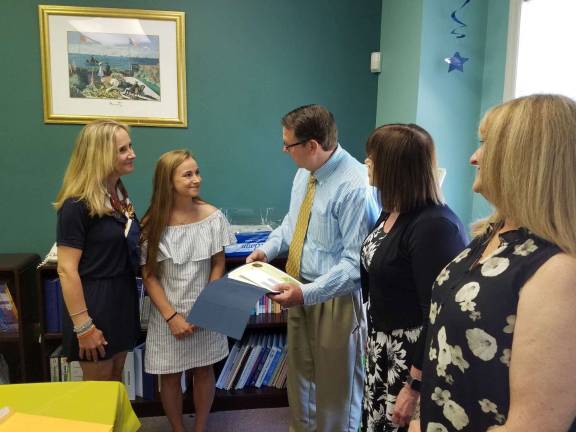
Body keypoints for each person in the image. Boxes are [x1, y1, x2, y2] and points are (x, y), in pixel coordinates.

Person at [417, 94, 576, 432]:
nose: (474, 157)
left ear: (523, 158)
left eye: (486, 144)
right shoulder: (492, 235)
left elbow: (533, 425)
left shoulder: (558, 270)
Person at [247, 104, 378, 432]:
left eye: (288, 145)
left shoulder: (355, 188)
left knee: (337, 390)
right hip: (299, 289)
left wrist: (305, 293)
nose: (284, 150)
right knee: (302, 378)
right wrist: (267, 248)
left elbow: (354, 265)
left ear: (312, 146)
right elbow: (294, 221)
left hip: (335, 297)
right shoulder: (306, 172)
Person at [360, 124, 467, 432]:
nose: (366, 161)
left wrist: (414, 385)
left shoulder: (434, 226)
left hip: (410, 359)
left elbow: (436, 314)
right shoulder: (392, 209)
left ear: (396, 166)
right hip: (382, 347)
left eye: (373, 156)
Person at [140, 150, 236, 432]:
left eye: (197, 172)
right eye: (188, 174)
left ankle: (200, 427)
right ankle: (177, 429)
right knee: (169, 376)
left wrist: (206, 306)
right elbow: (149, 276)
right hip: (168, 314)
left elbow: (218, 264)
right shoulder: (152, 223)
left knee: (204, 371)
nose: (197, 179)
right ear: (167, 181)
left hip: (204, 309)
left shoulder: (212, 217)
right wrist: (173, 318)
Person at [54, 119, 140, 381]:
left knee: (115, 382)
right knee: (99, 393)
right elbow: (66, 270)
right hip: (94, 305)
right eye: (122, 150)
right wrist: (84, 327)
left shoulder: (118, 196)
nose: (132, 154)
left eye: (130, 146)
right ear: (99, 155)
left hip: (122, 298)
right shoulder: (76, 205)